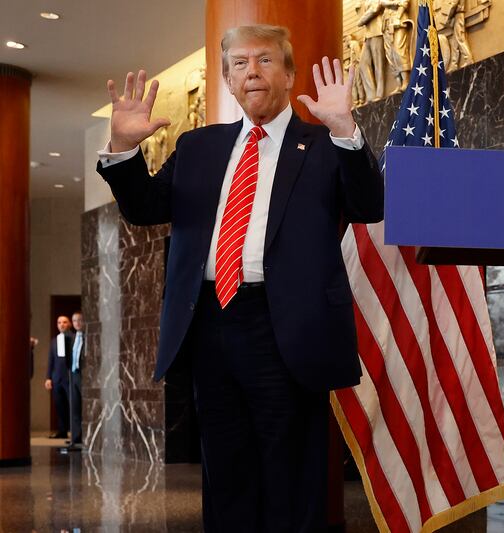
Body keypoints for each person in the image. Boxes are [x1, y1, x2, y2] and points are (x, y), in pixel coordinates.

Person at [96, 24, 383, 532]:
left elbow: (369, 204)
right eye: (239, 63)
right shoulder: (199, 147)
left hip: (287, 328)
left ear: (290, 75)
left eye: (266, 60)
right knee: (226, 470)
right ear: (227, 81)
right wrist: (121, 150)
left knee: (291, 474)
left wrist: (346, 131)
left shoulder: (321, 144)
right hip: (211, 323)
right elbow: (144, 209)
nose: (252, 71)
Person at [45, 316, 73, 440]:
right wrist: (48, 377)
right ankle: (62, 431)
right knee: (59, 405)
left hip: (70, 378)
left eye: (64, 322)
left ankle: (76, 432)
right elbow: (51, 360)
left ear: (70, 324)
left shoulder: (74, 338)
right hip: (57, 378)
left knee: (72, 405)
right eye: (59, 322)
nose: (61, 324)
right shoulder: (54, 341)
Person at [69, 311, 84, 444]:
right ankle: (75, 437)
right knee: (74, 407)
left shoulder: (88, 337)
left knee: (85, 406)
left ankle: (86, 436)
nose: (77, 323)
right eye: (74, 320)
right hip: (73, 375)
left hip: (84, 376)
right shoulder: (72, 338)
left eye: (80, 320)